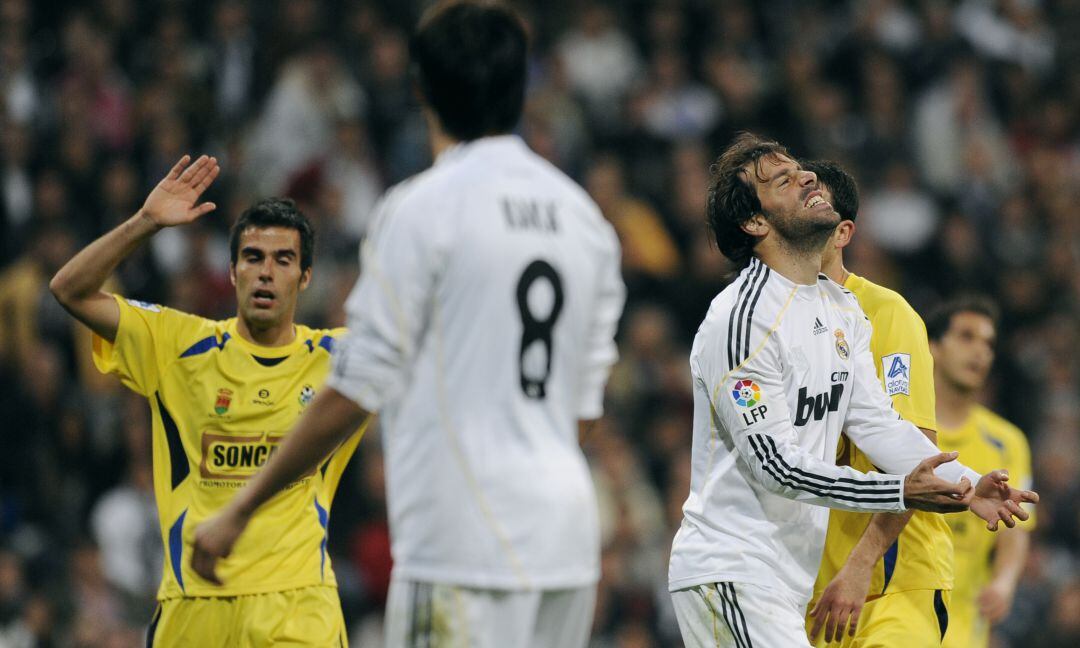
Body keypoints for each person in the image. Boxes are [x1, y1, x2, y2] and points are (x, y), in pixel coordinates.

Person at [191, 3, 626, 647]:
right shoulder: (586, 220)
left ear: (421, 87)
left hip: (462, 544)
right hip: (565, 541)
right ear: (521, 87)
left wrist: (240, 508)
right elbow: (585, 413)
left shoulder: (422, 208)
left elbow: (358, 386)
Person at [666, 132, 1037, 648]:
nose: (808, 178)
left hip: (787, 581)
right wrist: (898, 491)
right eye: (783, 180)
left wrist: (967, 487)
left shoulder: (840, 312)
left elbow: (879, 424)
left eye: (801, 171)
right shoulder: (741, 319)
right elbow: (774, 464)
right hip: (732, 569)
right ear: (755, 223)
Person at [48, 155, 365, 646]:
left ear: (304, 278)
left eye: (283, 261)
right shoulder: (179, 345)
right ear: (233, 269)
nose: (266, 273)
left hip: (298, 605)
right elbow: (69, 289)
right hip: (194, 606)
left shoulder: (338, 358)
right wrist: (145, 222)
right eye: (253, 258)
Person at [805, 160, 955, 646]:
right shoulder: (771, 322)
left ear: (843, 232)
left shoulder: (886, 314)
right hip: (814, 590)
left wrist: (862, 562)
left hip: (890, 584)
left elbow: (917, 459)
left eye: (816, 202)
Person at [928, 296, 1035, 648]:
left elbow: (1017, 528)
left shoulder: (1007, 442)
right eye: (966, 336)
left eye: (988, 343)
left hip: (964, 624)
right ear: (933, 348)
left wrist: (1004, 582)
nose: (980, 352)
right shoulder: (902, 430)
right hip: (891, 608)